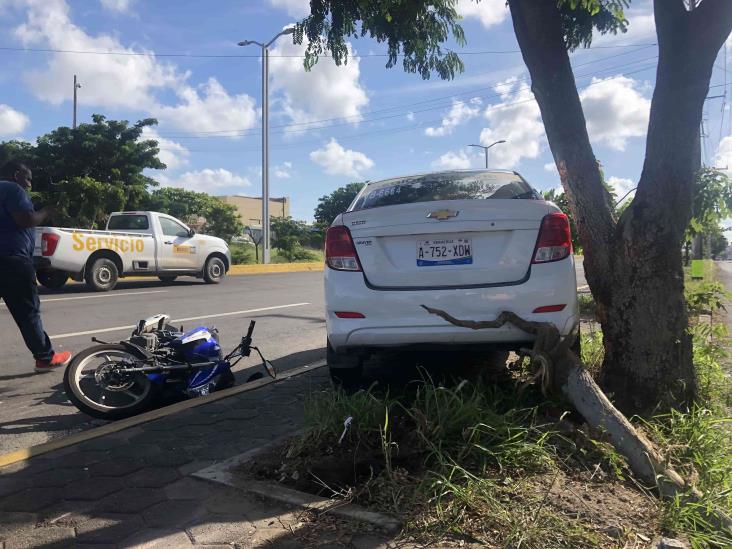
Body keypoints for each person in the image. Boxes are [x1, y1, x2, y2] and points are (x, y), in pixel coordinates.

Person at [0, 161, 72, 372]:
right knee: (27, 312)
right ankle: (44, 358)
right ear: (16, 175)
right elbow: (26, 219)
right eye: (28, 178)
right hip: (12, 260)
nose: (30, 185)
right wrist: (46, 212)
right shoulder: (12, 188)